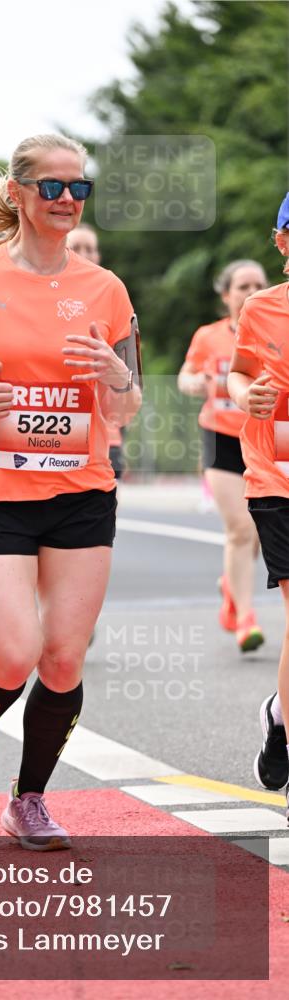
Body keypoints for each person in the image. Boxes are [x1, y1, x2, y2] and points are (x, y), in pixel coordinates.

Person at [0, 134, 142, 850]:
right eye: (52, 187)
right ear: (18, 194)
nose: (68, 198)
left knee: (64, 658)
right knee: (13, 653)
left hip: (80, 490)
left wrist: (113, 375)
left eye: (79, 186)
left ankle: (31, 798)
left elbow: (127, 406)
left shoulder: (104, 289)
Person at [228, 193, 289, 823]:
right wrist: (249, 395)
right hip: (279, 478)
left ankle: (279, 715)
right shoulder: (262, 309)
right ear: (282, 242)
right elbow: (237, 375)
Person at [178, 260, 268, 651]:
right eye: (242, 285)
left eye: (258, 284)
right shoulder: (209, 336)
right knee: (240, 529)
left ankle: (231, 587)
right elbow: (184, 376)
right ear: (226, 294)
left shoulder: (276, 330)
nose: (250, 291)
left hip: (265, 441)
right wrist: (197, 382)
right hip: (221, 439)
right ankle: (246, 619)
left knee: (263, 530)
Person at [68, 224, 126, 480]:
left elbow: (128, 374)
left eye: (90, 249)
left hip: (103, 428)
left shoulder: (111, 294)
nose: (84, 254)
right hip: (44, 427)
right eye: (76, 247)